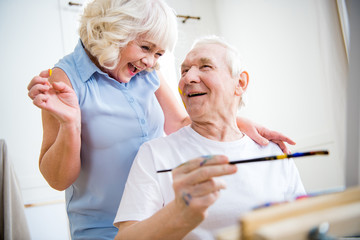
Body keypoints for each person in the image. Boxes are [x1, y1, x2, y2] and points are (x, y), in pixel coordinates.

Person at [27, 0, 295, 239]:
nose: (150, 61)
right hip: (102, 229)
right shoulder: (63, 78)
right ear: (114, 33)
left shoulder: (146, 71)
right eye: (145, 47)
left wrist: (236, 125)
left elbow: (180, 123)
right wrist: (70, 124)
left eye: (159, 54)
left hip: (157, 219)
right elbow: (57, 180)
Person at [113, 36, 306, 240]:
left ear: (240, 83)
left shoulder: (273, 152)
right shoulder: (155, 154)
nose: (188, 78)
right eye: (184, 71)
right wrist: (178, 213)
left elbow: (304, 224)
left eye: (205, 67)